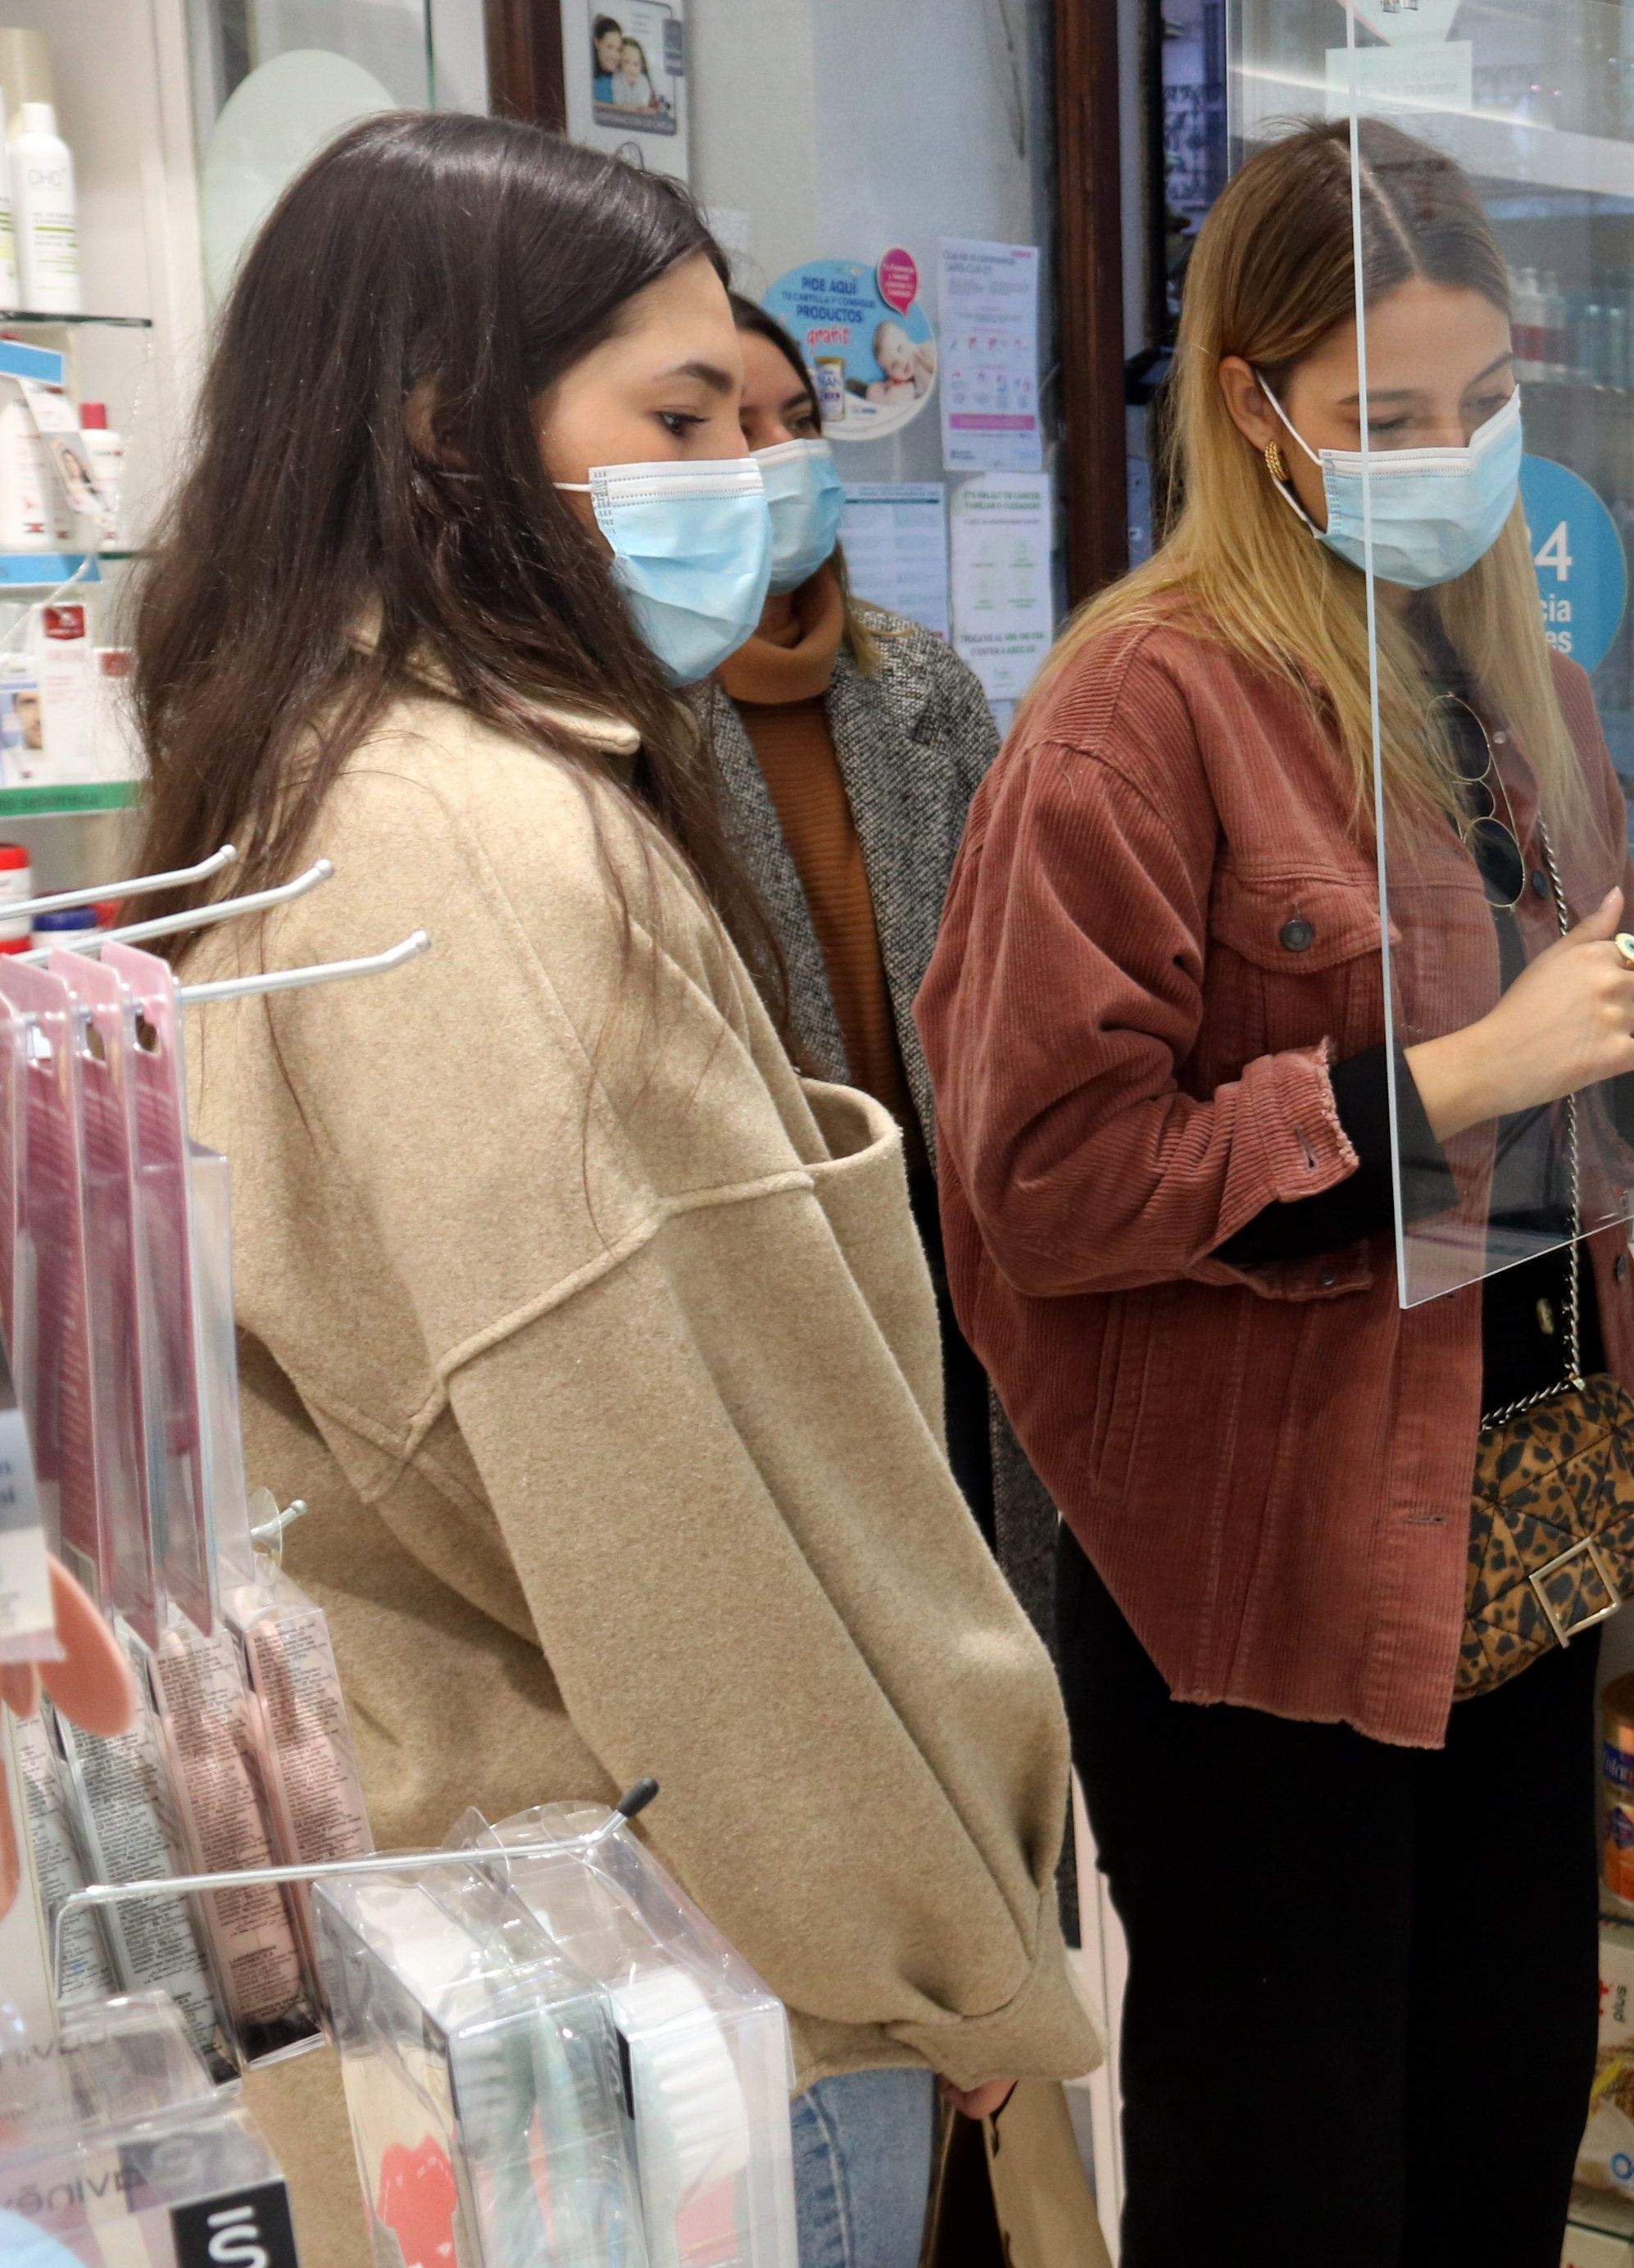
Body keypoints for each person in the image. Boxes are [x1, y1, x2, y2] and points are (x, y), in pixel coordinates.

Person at [126, 112, 1094, 2268]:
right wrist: (941, 1943)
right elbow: (685, 1532)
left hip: (543, 1932)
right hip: (696, 1967)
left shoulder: (335, 763)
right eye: (676, 416)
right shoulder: (485, 848)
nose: (741, 475)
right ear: (453, 434)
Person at [919, 118, 1634, 2266]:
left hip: (1516, 1535)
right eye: (1386, 417)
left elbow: (1564, 1117)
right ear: (1252, 412)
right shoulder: (1140, 713)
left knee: (1496, 2139)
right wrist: (1471, 1068)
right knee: (1291, 2183)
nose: (1451, 456)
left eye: (1484, 409)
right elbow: (1045, 1182)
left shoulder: (1522, 691)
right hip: (1271, 1582)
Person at [710, 292, 1060, 1620]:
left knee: (991, 1598)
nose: (778, 456)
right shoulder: (615, 730)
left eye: (797, 420)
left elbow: (1015, 982)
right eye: (723, 427)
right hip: (785, 1275)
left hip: (962, 1243)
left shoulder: (918, 685)